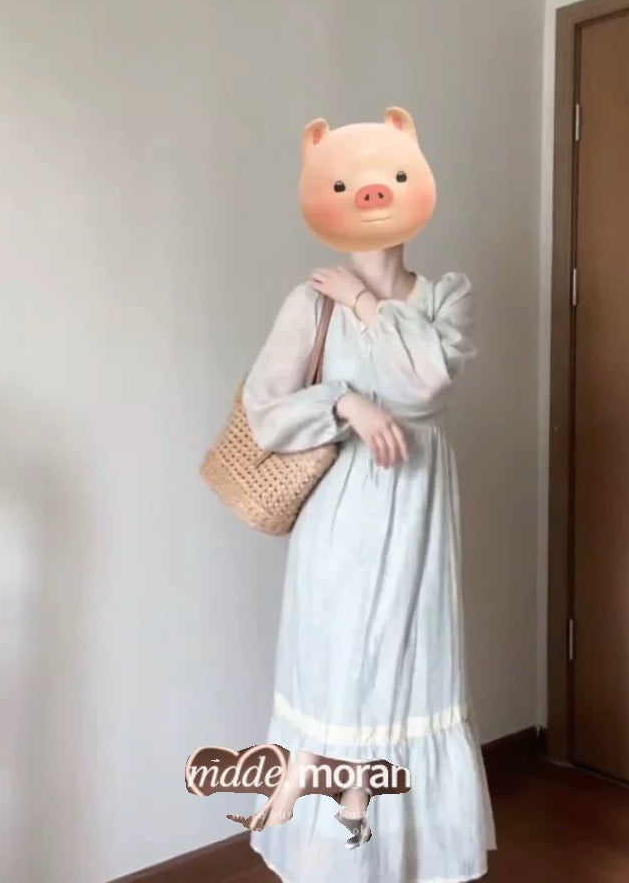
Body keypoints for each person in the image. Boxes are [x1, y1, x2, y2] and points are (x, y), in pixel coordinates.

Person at [239, 108, 496, 883]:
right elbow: (264, 411)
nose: (372, 195)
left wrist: (364, 305)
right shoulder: (307, 303)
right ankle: (337, 863)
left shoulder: (445, 297)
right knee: (340, 679)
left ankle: (406, 862)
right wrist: (345, 402)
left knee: (410, 677)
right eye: (349, 183)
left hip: (417, 514)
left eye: (389, 177)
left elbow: (425, 386)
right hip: (340, 518)